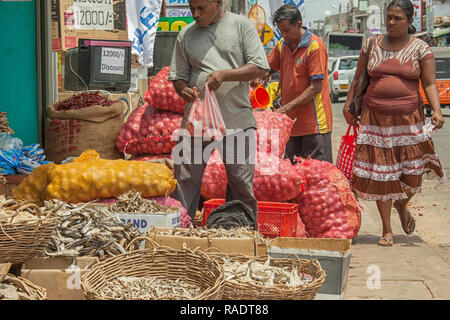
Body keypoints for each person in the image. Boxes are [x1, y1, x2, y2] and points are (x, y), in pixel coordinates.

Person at [343, 0, 446, 247]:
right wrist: (349, 105)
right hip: (374, 119)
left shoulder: (421, 48)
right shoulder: (371, 44)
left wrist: (437, 110)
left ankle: (402, 204)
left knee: (413, 174)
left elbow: (430, 83)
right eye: (389, 17)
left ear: (410, 21)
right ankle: (387, 230)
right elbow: (359, 78)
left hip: (409, 119)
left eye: (398, 18)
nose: (391, 22)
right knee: (382, 175)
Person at [168, 0, 270, 224]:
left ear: (218, 3)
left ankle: (238, 231)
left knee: (240, 182)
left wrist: (224, 75)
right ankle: (180, 230)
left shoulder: (241, 25)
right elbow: (178, 76)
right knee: (185, 178)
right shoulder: (186, 34)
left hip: (237, 120)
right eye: (191, 9)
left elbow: (259, 66)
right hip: (197, 123)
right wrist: (183, 90)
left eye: (201, 8)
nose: (195, 14)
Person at [266, 4, 333, 163]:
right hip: (290, 126)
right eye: (280, 31)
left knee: (317, 176)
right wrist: (259, 75)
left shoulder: (314, 46)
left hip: (314, 126)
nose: (283, 35)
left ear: (299, 24)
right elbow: (267, 66)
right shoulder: (282, 45)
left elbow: (315, 88)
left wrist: (285, 108)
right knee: (293, 175)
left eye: (286, 31)